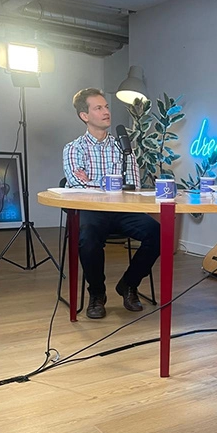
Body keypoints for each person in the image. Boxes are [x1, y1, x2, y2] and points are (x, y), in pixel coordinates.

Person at [63, 88, 160, 319]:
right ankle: (96, 294)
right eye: (99, 108)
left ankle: (129, 284)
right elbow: (77, 184)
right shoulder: (74, 148)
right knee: (87, 236)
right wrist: (114, 184)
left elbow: (133, 184)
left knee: (158, 232)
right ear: (84, 116)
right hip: (92, 211)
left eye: (106, 107)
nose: (106, 112)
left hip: (121, 210)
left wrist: (95, 182)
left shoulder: (123, 146)